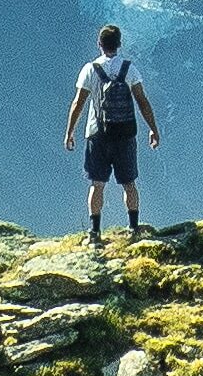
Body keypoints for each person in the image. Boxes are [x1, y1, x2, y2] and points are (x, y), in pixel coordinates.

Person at [62, 23, 160, 241]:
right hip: (125, 134)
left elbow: (78, 103)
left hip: (97, 135)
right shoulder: (129, 69)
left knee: (97, 185)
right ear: (119, 44)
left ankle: (94, 232)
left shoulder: (90, 69)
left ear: (99, 44)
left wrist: (70, 132)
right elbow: (142, 102)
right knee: (129, 184)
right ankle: (133, 229)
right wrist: (153, 129)